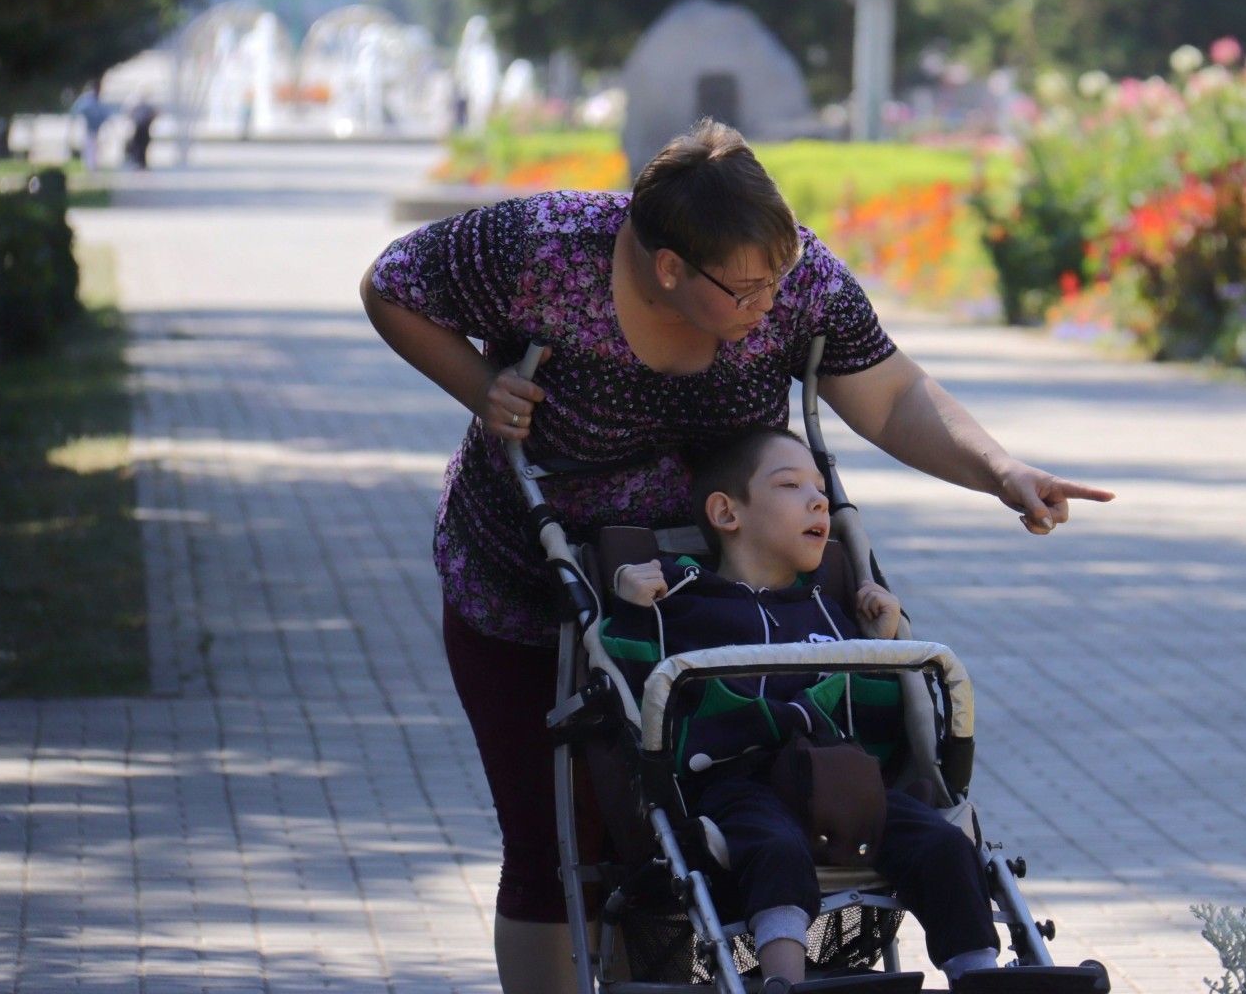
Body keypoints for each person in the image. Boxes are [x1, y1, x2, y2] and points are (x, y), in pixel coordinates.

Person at [360, 118, 1114, 994]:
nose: (770, 307)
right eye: (747, 291)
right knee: (559, 842)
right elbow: (394, 284)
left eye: (779, 279)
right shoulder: (544, 250)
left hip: (735, 589)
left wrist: (1001, 471)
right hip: (535, 581)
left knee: (684, 847)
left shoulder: (794, 282)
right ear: (669, 265)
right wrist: (482, 387)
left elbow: (894, 392)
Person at [606, 426, 1010, 992]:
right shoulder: (683, 604)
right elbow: (635, 697)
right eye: (791, 485)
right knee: (774, 846)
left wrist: (881, 648)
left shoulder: (830, 610)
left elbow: (879, 734)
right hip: (735, 782)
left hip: (840, 781)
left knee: (944, 845)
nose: (818, 500)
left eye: (821, 489)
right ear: (727, 513)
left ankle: (979, 975)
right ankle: (786, 984)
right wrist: (628, 614)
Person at [70, 81, 113, 170]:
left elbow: (105, 113)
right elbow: (78, 111)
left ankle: (94, 166)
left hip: (97, 128)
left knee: (96, 148)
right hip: (87, 127)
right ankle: (90, 166)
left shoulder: (99, 100)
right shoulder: (87, 100)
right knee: (89, 147)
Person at [125, 94, 157, 169]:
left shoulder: (147, 107)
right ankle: (139, 163)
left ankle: (141, 163)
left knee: (142, 148)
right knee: (138, 148)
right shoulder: (138, 107)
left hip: (144, 129)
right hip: (140, 129)